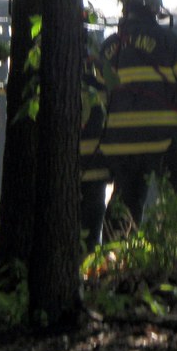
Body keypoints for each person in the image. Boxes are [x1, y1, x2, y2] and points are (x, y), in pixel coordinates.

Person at [99, 0, 177, 232]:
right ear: (154, 12)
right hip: (165, 140)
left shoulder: (106, 49)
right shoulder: (172, 44)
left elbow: (99, 97)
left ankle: (113, 260)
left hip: (120, 143)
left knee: (124, 206)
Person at [79, 22, 110, 252]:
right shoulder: (101, 88)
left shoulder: (53, 86)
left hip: (65, 171)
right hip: (97, 168)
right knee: (91, 237)